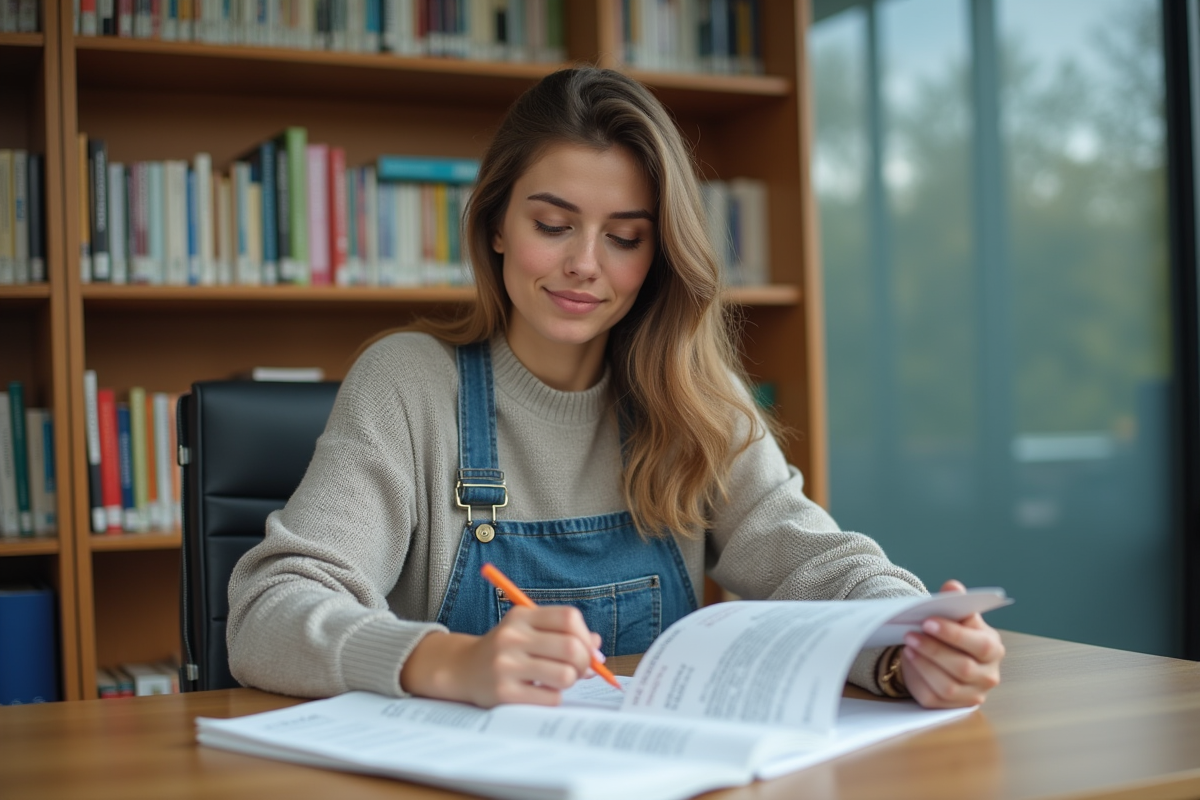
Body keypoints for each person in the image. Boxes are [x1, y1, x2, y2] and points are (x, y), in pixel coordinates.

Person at [227, 66, 1004, 711]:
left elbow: (816, 564)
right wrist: (446, 663)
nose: (585, 265)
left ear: (657, 253)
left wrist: (910, 641)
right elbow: (268, 613)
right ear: (497, 223)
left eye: (625, 237)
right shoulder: (409, 383)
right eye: (554, 224)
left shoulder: (697, 396)